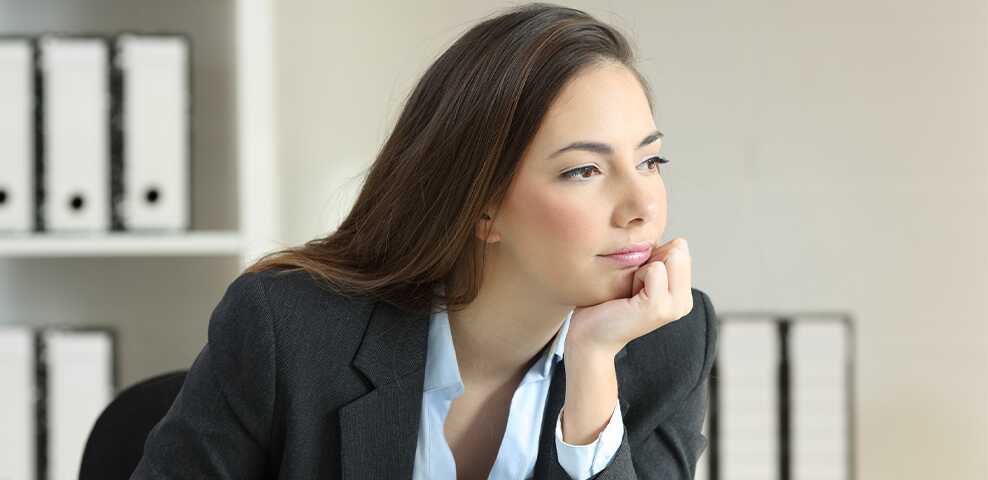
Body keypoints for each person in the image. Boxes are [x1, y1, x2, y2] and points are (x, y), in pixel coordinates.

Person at [131, 3, 717, 479]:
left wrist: (592, 368)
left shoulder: (668, 344)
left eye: (650, 161)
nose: (643, 208)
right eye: (583, 171)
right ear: (482, 206)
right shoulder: (287, 330)